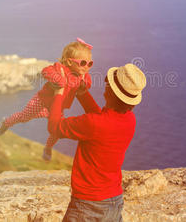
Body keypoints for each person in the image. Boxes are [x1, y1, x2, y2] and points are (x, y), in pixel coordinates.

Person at [48, 63, 147, 221]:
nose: (105, 84)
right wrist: (82, 93)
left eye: (107, 82)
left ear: (109, 92)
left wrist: (58, 92)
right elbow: (101, 121)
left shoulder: (93, 124)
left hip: (87, 204)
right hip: (114, 202)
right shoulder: (130, 120)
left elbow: (54, 127)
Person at [0, 38, 94, 161]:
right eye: (83, 63)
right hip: (41, 101)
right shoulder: (59, 69)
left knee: (57, 130)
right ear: (69, 62)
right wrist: (59, 80)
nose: (87, 67)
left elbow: (88, 82)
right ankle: (6, 122)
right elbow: (45, 71)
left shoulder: (82, 76)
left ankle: (48, 147)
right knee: (24, 117)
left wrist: (85, 85)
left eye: (90, 64)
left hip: (57, 107)